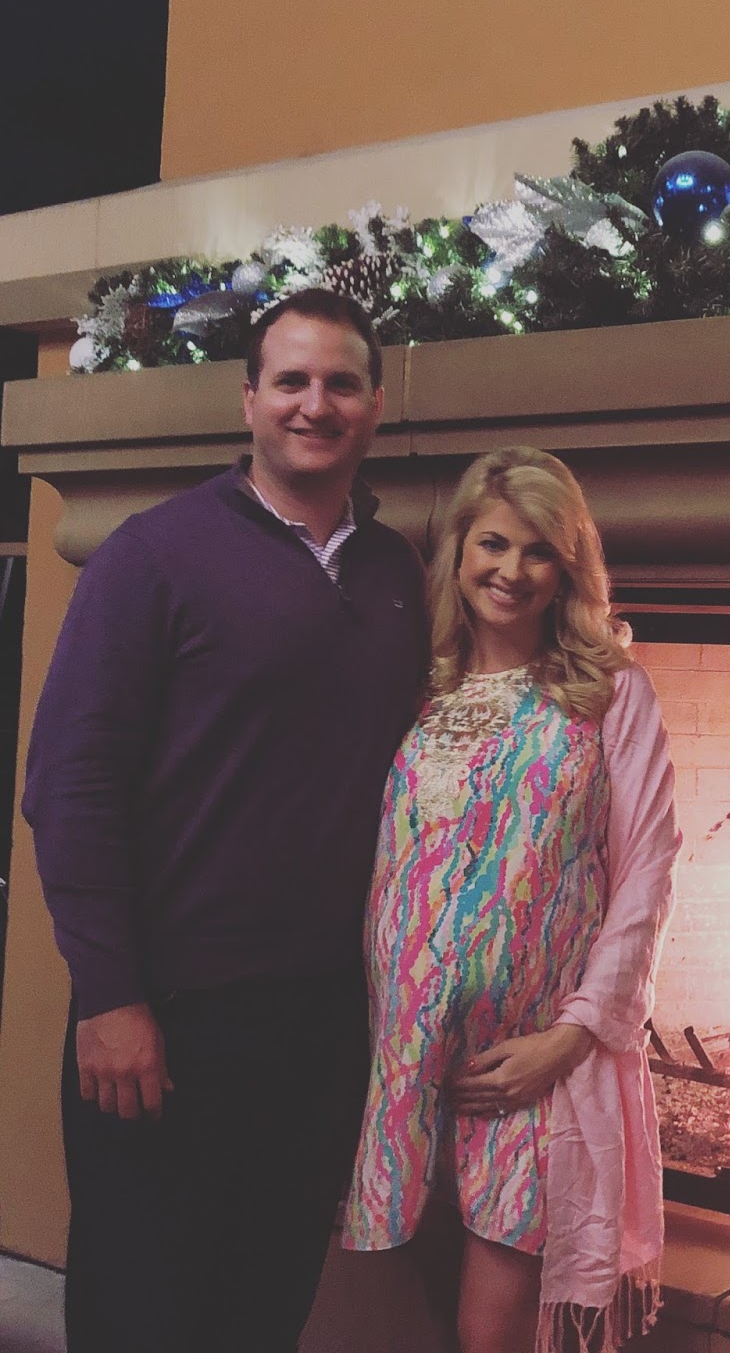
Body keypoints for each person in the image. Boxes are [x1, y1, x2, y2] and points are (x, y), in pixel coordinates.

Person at [24, 289, 430, 1352]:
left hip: (323, 1026)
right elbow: (70, 785)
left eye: (341, 383)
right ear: (248, 400)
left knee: (263, 1310)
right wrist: (110, 995)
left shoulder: (396, 574)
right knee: (143, 1313)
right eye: (290, 380)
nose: (314, 404)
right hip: (165, 1018)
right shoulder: (153, 557)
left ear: (374, 404)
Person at [343, 446, 680, 1353]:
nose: (512, 571)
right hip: (403, 1059)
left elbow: (647, 873)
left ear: (568, 569)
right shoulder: (413, 686)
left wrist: (574, 1035)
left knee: (489, 1330)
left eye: (540, 552)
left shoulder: (611, 694)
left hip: (532, 1067)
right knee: (413, 1305)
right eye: (493, 544)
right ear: (458, 550)